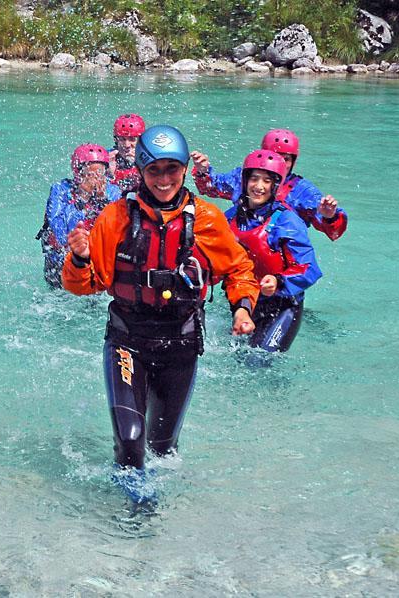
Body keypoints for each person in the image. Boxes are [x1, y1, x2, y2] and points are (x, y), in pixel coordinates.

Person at [62, 125, 260, 502]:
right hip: (127, 339)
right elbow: (84, 284)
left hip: (181, 342)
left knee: (163, 449)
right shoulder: (116, 216)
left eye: (172, 169)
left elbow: (238, 270)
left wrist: (243, 308)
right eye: (154, 170)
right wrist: (80, 257)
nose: (164, 179)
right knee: (131, 442)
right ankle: (133, 521)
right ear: (139, 170)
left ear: (185, 169)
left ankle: (159, 527)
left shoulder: (205, 219)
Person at [227, 150, 323, 353]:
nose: (259, 187)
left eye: (267, 181)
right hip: (248, 303)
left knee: (260, 359)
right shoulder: (231, 218)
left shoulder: (287, 221)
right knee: (237, 356)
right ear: (245, 181)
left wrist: (279, 281)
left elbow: (309, 268)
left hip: (284, 305)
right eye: (254, 179)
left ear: (275, 186)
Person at [190, 128, 348, 241]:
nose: (278, 163)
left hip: (278, 266)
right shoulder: (243, 177)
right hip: (242, 256)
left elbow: (333, 233)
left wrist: (330, 217)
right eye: (274, 156)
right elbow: (211, 189)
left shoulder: (302, 191)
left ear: (293, 161)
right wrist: (203, 171)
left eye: (285, 159)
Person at [37, 144, 121, 288]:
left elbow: (115, 231)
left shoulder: (112, 192)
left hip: (96, 264)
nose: (94, 179)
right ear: (78, 173)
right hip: (60, 264)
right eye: (89, 174)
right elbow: (61, 233)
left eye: (99, 173)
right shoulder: (60, 190)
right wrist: (82, 198)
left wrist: (102, 202)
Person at [108, 113, 145, 196]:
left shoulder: (148, 159)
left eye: (132, 139)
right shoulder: (107, 159)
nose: (127, 145)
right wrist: (110, 174)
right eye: (122, 139)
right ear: (116, 140)